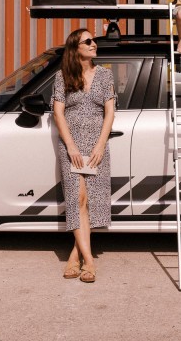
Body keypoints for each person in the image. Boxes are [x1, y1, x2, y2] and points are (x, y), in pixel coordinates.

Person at [52, 28, 116, 283]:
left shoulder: (105, 75)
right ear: (75, 48)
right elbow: (58, 113)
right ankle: (90, 262)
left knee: (90, 201)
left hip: (96, 145)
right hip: (72, 146)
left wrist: (100, 145)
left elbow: (110, 112)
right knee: (77, 198)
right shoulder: (63, 76)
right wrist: (71, 146)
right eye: (87, 41)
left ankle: (75, 256)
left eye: (94, 40)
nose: (93, 44)